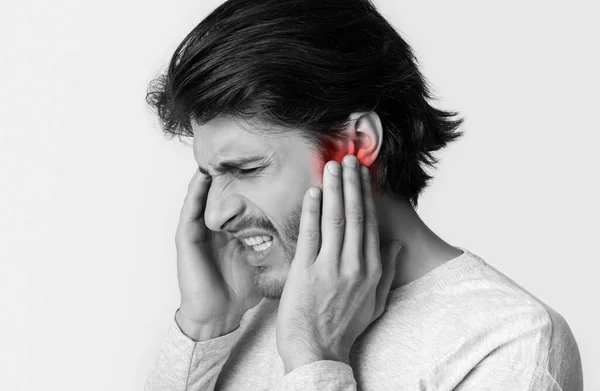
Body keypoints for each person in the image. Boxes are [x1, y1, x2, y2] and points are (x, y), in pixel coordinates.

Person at [144, 0, 583, 389]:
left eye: (247, 168)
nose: (216, 214)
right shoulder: (238, 316)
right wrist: (204, 328)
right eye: (209, 175)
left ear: (356, 144)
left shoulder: (508, 341)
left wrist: (314, 356)